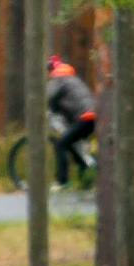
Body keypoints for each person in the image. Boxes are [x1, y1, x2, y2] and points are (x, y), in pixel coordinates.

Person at [46, 55, 97, 189]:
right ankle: (86, 177)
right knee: (72, 143)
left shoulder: (58, 79)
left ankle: (62, 182)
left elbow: (50, 99)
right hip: (91, 116)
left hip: (84, 118)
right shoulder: (72, 79)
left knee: (61, 144)